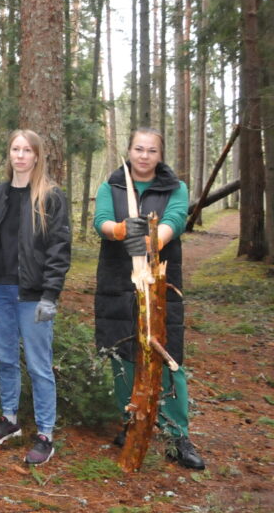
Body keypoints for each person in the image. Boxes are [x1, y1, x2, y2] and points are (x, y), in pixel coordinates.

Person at [93, 127, 205, 470]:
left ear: (160, 155)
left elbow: (174, 221)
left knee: (168, 353)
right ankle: (132, 422)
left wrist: (153, 240)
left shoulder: (175, 187)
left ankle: (176, 435)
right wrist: (119, 230)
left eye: (151, 150)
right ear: (130, 151)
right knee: (123, 349)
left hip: (160, 280)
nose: (144, 156)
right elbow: (101, 221)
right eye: (138, 149)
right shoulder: (111, 185)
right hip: (118, 278)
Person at [0, 130, 70, 465]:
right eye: (15, 149)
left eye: (27, 150)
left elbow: (59, 250)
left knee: (39, 365)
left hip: (33, 295)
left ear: (37, 156)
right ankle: (9, 419)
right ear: (8, 154)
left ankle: (45, 434)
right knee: (6, 358)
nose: (20, 155)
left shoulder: (50, 197)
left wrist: (50, 295)